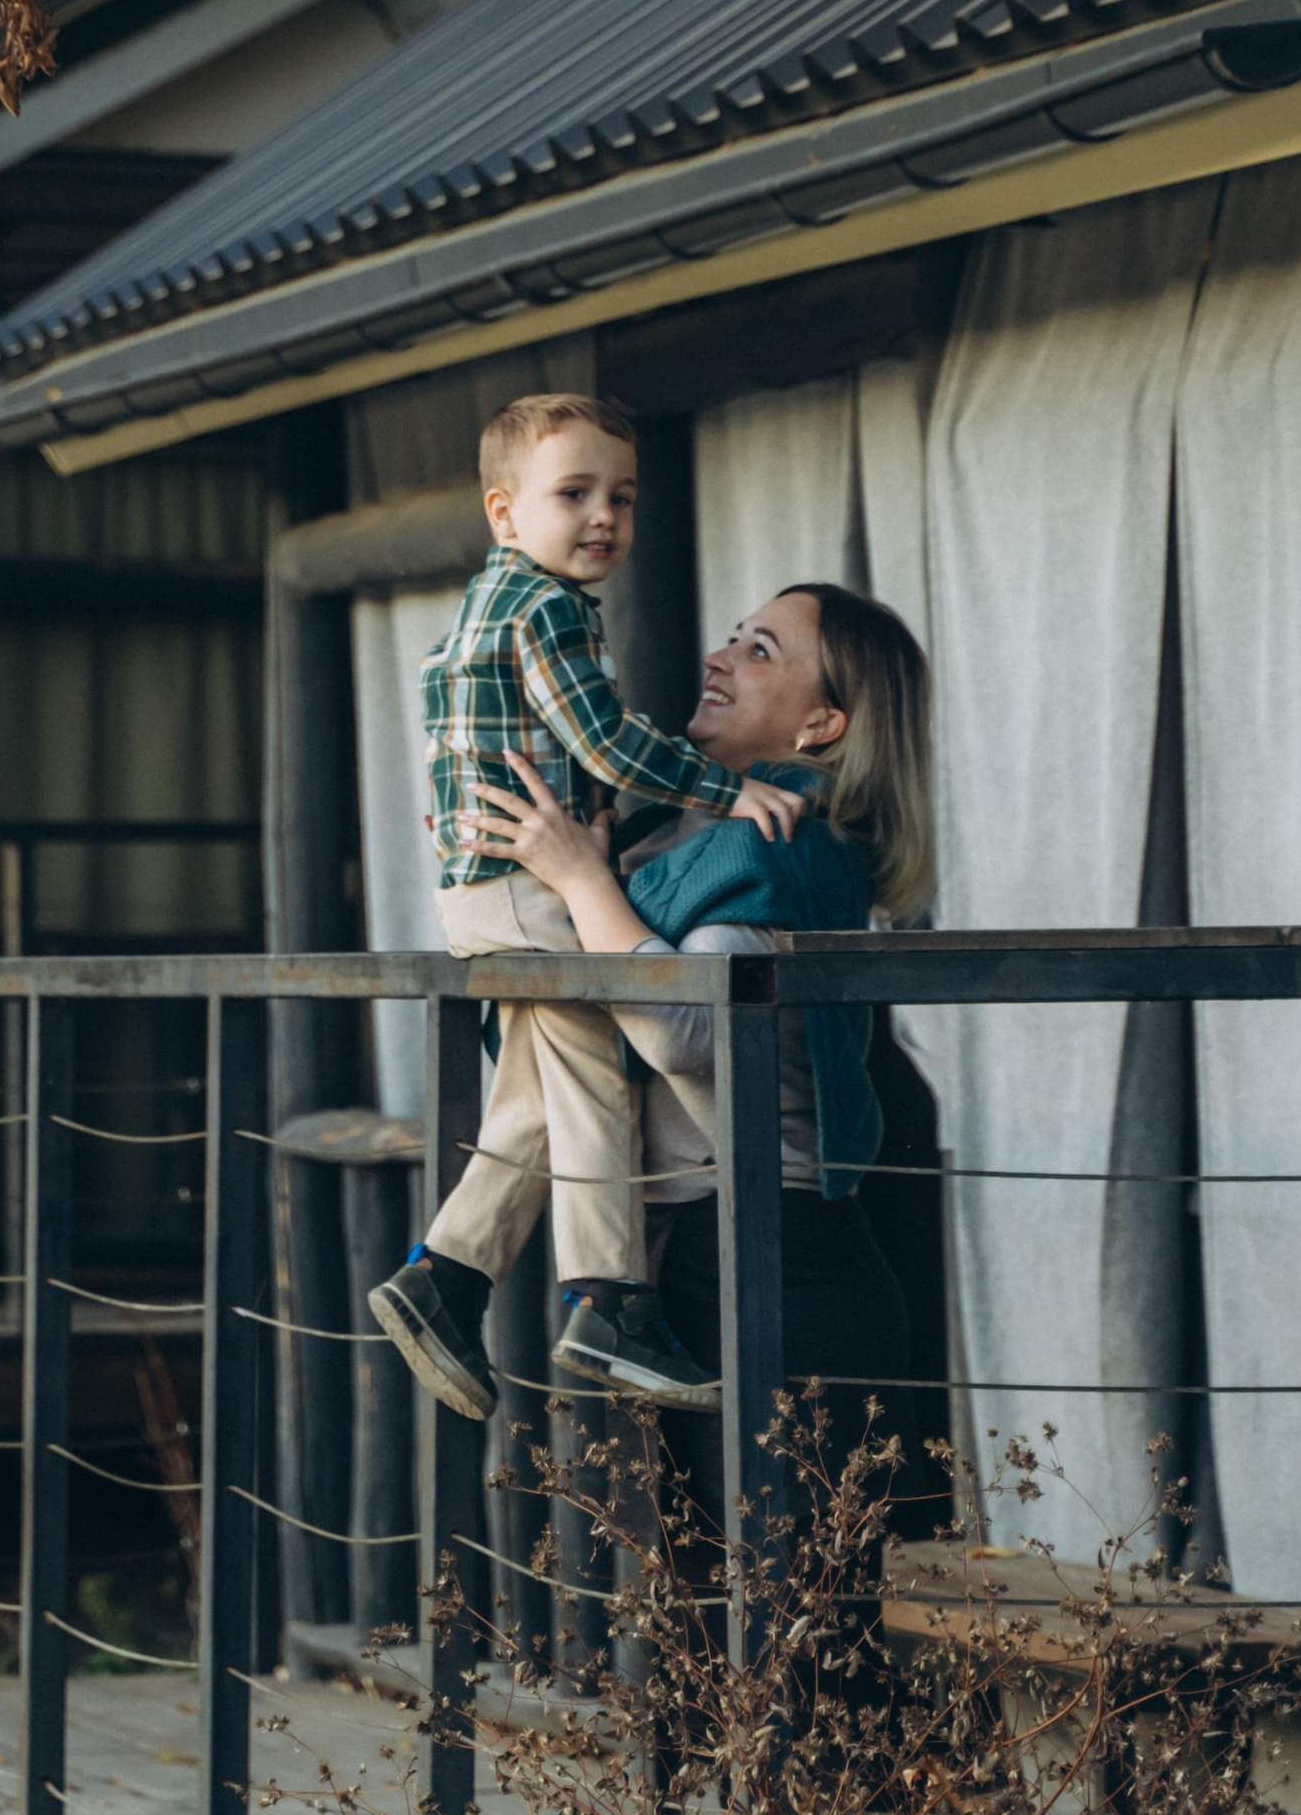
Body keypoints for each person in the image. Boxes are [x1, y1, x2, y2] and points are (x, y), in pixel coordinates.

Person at [373, 579, 931, 1452]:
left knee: (793, 1540)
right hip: (679, 1245)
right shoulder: (670, 831)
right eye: (734, 637)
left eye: (759, 652)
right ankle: (451, 1271)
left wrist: (579, 883)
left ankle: (452, 1271)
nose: (719, 658)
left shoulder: (783, 842)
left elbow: (683, 1032)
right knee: (695, 1542)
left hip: (772, 1253)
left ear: (821, 725)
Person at [371, 393, 800, 1418]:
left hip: (490, 884)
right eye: (574, 493)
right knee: (599, 1064)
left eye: (623, 496)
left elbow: (474, 730)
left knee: (540, 1082)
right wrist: (724, 789)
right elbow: (604, 738)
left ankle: (445, 1276)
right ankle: (608, 1297)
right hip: (523, 885)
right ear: (504, 512)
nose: (604, 515)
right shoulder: (547, 608)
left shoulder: (483, 608)